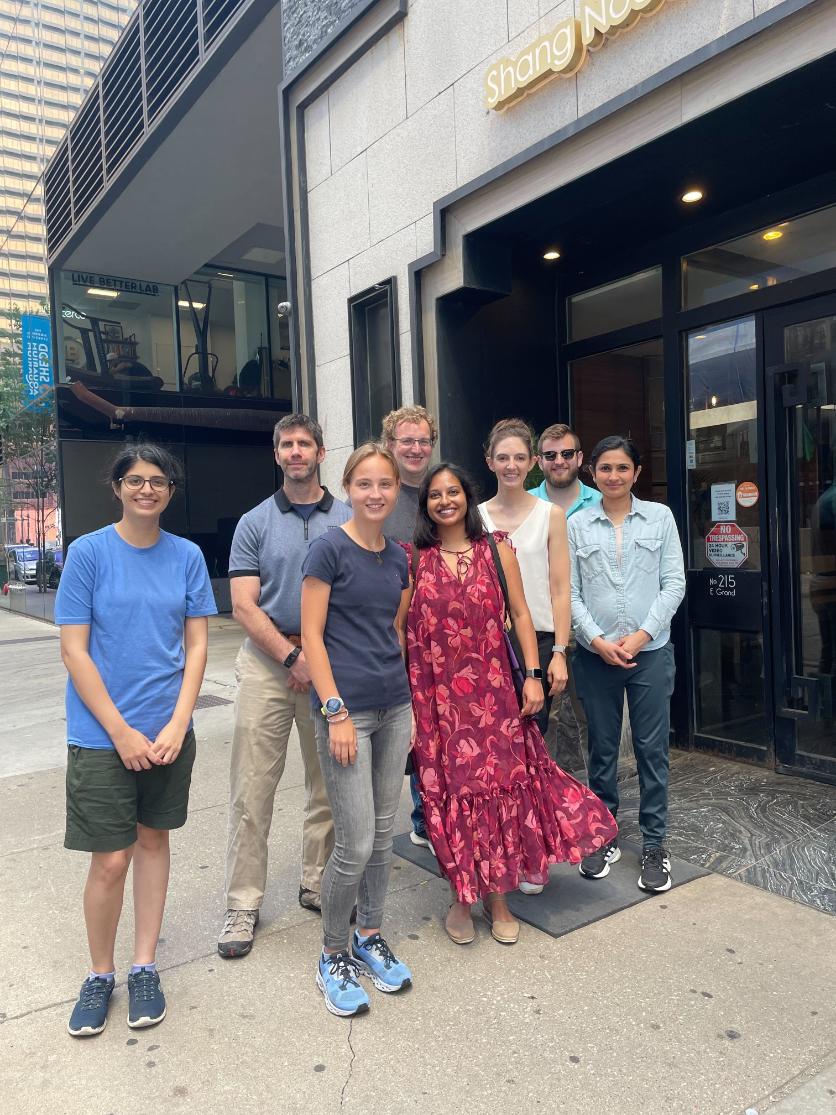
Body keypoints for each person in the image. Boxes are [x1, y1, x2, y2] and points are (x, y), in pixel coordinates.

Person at [406, 463, 618, 946]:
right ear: (425, 505)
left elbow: (522, 614)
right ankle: (463, 896)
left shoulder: (496, 548)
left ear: (467, 497)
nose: (445, 501)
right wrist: (406, 701)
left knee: (503, 787)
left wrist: (533, 676)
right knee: (452, 797)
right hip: (437, 701)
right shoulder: (415, 559)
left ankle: (498, 897)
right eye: (435, 495)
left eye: (453, 492)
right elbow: (399, 631)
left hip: (493, 693)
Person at [55, 443, 217, 1038]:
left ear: (171, 491)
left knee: (152, 844)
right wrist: (120, 731)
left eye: (159, 481)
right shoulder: (89, 554)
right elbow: (74, 649)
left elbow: (197, 644)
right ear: (117, 486)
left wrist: (178, 722)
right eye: (136, 480)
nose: (147, 489)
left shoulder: (188, 556)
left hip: (169, 729)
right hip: (101, 737)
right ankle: (100, 975)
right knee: (110, 860)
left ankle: (144, 964)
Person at [218, 414, 350, 959]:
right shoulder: (253, 522)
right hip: (268, 666)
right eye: (286, 445)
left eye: (305, 444)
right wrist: (292, 656)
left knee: (327, 785)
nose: (296, 452)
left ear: (322, 452)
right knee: (252, 787)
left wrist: (314, 661)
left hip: (329, 664)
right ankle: (242, 903)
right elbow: (243, 605)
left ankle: (317, 881)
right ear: (277, 455)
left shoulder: (346, 520)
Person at [301, 442, 414, 1017]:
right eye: (364, 483)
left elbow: (392, 631)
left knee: (384, 832)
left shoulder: (399, 557)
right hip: (348, 714)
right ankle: (332, 952)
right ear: (347, 487)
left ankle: (369, 934)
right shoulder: (327, 551)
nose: (375, 494)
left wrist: (409, 705)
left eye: (385, 484)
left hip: (395, 706)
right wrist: (335, 711)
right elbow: (312, 637)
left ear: (396, 490)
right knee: (355, 840)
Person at [568, 436, 686, 894]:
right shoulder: (577, 525)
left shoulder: (660, 517)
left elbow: (673, 584)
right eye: (604, 468)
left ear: (636, 472)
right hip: (597, 657)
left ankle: (655, 844)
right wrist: (596, 640)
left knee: (651, 750)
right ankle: (604, 833)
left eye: (622, 468)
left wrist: (640, 637)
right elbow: (571, 593)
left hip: (650, 653)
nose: (613, 476)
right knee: (601, 747)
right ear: (591, 473)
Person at [479, 419, 571, 898]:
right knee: (495, 761)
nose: (511, 465)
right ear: (489, 461)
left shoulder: (550, 514)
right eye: (503, 457)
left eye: (520, 457)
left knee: (532, 756)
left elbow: (559, 587)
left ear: (532, 462)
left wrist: (559, 650)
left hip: (536, 641)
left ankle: (535, 855)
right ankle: (499, 851)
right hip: (486, 647)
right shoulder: (474, 516)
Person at [381, 404, 439, 855]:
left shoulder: (443, 494)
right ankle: (418, 816)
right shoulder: (380, 497)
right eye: (407, 441)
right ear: (391, 445)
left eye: (423, 441)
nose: (416, 449)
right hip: (389, 635)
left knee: (435, 727)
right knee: (409, 731)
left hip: (441, 637)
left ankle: (431, 815)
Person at [531, 422, 602, 518]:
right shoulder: (522, 504)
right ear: (540, 462)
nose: (559, 462)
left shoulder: (601, 503)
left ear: (579, 458)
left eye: (567, 454)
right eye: (550, 455)